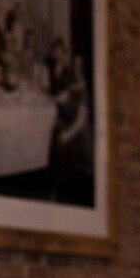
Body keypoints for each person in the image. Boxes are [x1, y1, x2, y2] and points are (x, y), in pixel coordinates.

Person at [47, 39, 93, 205]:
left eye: (80, 67)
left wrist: (66, 134)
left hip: (79, 136)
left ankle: (56, 192)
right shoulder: (73, 86)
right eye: (75, 65)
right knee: (52, 134)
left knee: (59, 141)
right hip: (70, 127)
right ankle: (53, 187)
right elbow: (60, 99)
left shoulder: (83, 89)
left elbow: (81, 121)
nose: (76, 69)